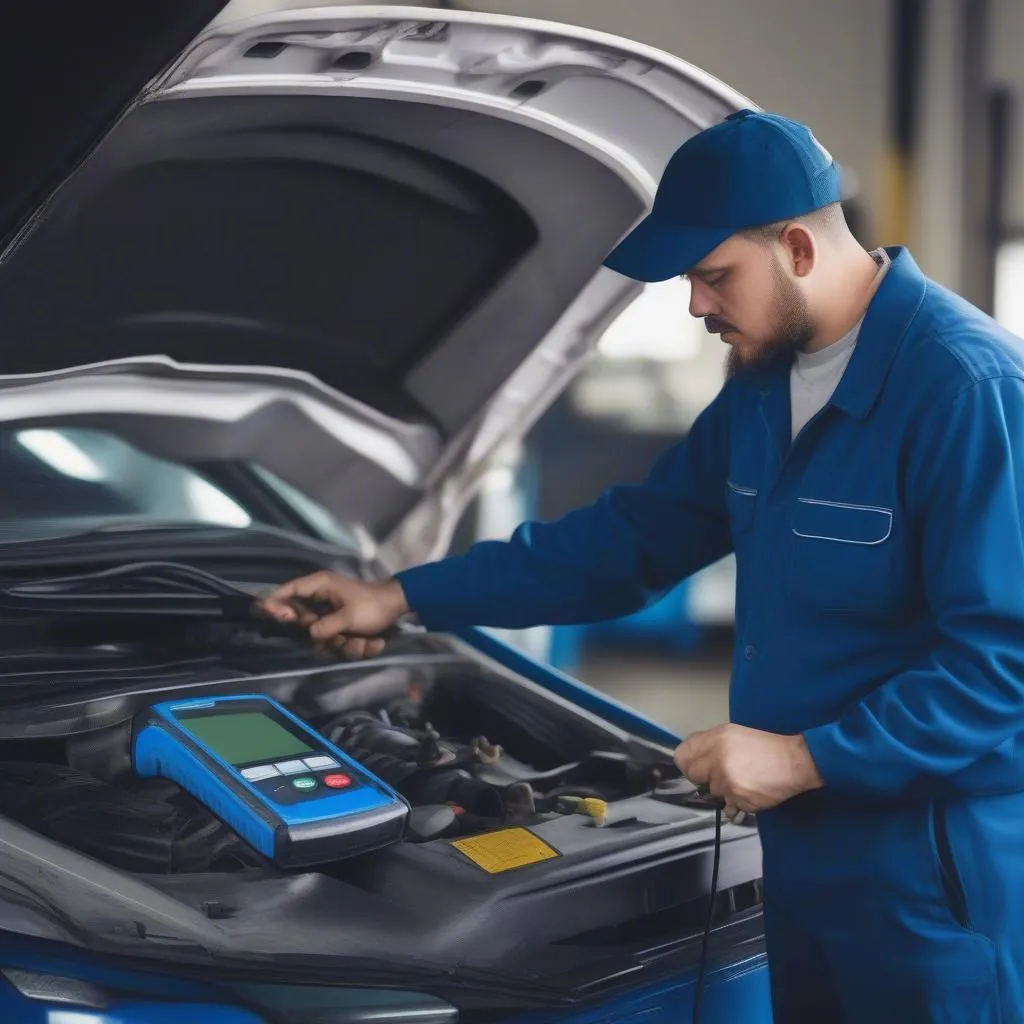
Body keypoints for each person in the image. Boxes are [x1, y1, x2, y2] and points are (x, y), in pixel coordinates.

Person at [261, 110, 1024, 1023]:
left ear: (798, 248)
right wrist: (402, 594)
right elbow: (630, 543)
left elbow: (1002, 662)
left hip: (929, 879)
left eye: (712, 276)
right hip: (801, 854)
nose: (696, 306)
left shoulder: (966, 389)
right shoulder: (763, 386)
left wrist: (808, 758)